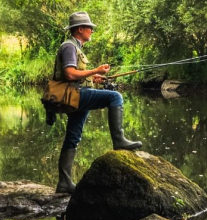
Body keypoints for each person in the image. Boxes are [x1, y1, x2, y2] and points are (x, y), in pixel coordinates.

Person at [53, 11, 141, 193]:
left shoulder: (74, 46)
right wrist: (95, 70)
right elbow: (69, 73)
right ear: (79, 29)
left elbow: (75, 76)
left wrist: (94, 77)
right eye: (89, 28)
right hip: (72, 94)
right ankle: (119, 141)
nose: (92, 31)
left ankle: (64, 183)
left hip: (71, 94)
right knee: (115, 97)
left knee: (73, 136)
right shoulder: (69, 47)